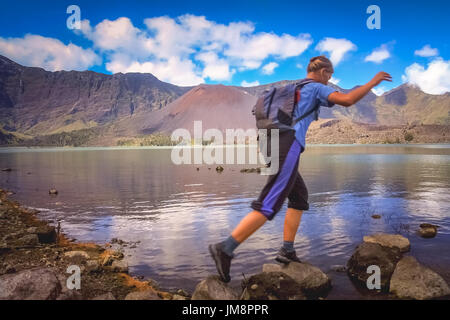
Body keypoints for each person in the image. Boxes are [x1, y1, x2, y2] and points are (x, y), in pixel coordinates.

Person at [209, 55, 392, 283]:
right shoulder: (316, 87)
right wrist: (372, 82)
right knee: (270, 202)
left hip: (269, 141)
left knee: (299, 196)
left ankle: (287, 250)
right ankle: (225, 248)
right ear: (324, 72)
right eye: (330, 76)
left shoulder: (293, 87)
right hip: (288, 142)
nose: (329, 80)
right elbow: (347, 100)